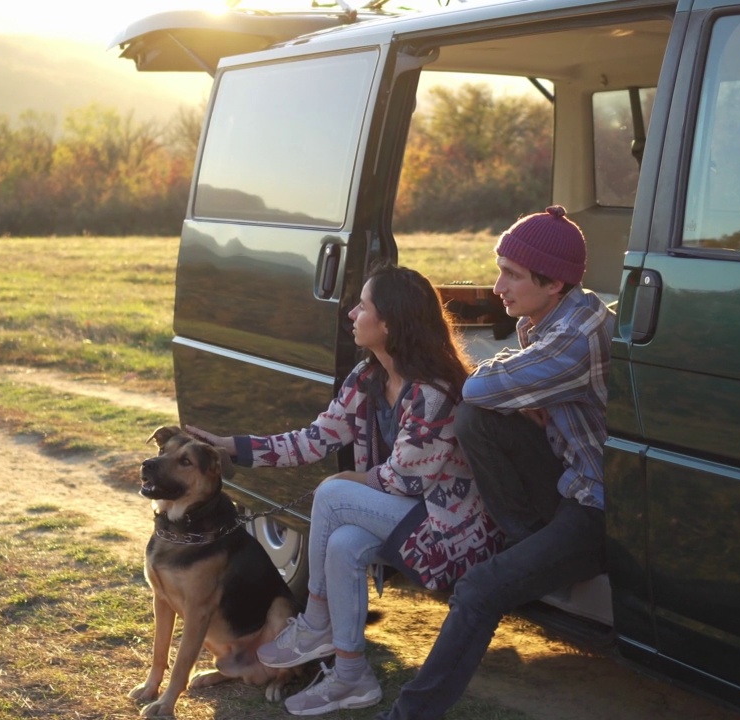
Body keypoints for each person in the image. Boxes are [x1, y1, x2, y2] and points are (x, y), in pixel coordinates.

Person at [188, 262, 504, 717]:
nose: (352, 313)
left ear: (390, 322)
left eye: (363, 306)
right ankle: (351, 676)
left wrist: (344, 482)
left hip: (449, 535)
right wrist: (233, 449)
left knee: (333, 494)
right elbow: (314, 439)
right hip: (402, 520)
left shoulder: (434, 392)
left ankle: (317, 622)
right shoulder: (367, 378)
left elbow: (405, 479)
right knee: (343, 541)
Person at [375, 206, 614, 719]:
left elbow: (479, 384)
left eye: (511, 273)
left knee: (480, 587)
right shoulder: (561, 312)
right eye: (499, 267)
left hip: (596, 505)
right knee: (476, 420)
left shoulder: (574, 338)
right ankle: (525, 544)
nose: (497, 284)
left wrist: (505, 381)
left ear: (553, 283)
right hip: (566, 477)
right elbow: (486, 395)